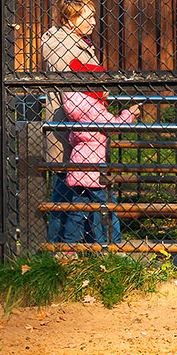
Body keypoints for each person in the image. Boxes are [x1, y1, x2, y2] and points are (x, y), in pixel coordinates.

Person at [56, 54, 139, 246]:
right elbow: (116, 125)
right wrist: (130, 113)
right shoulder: (94, 109)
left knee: (77, 209)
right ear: (94, 89)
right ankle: (112, 244)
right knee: (107, 207)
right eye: (104, 88)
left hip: (78, 166)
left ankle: (69, 246)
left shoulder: (77, 106)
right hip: (95, 170)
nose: (107, 93)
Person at [39, 0, 98, 243]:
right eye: (88, 17)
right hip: (70, 124)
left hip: (81, 124)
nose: (94, 22)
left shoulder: (71, 42)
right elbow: (85, 84)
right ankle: (61, 243)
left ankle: (72, 242)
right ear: (71, 19)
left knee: (76, 185)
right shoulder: (65, 47)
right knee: (66, 185)